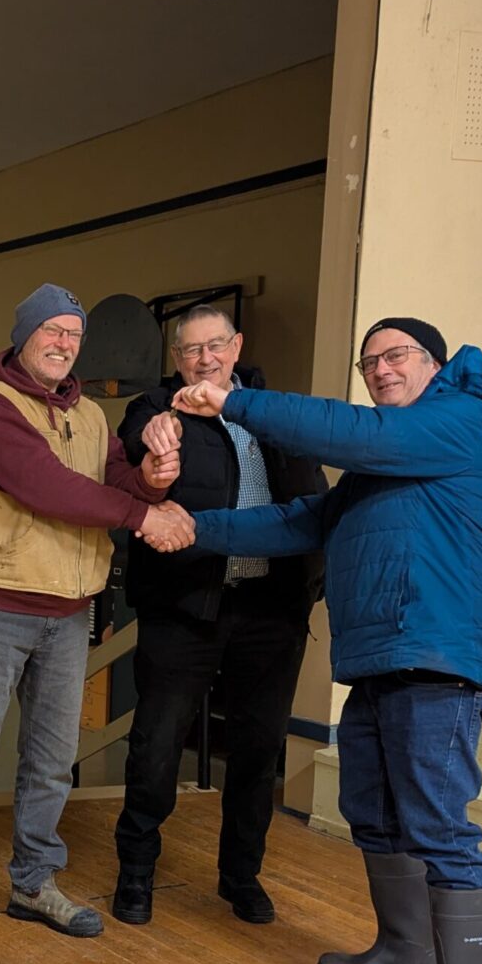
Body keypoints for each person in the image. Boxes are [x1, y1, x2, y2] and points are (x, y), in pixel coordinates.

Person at [169, 317, 482, 964]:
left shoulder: (460, 422)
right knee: (373, 812)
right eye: (369, 362)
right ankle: (407, 951)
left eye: (396, 356)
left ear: (435, 365)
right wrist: (192, 527)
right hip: (382, 658)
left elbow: (361, 436)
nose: (381, 370)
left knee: (439, 824)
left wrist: (234, 400)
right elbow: (300, 521)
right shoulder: (382, 463)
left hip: (438, 657)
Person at [0, 283, 186, 960]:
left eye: (73, 334)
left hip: (68, 615)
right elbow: (46, 486)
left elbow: (117, 485)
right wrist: (144, 517)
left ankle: (33, 883)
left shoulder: (92, 417)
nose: (64, 343)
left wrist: (154, 479)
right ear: (23, 335)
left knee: (49, 765)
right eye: (52, 330)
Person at [111, 304, 327, 926]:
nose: (203, 359)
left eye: (214, 347)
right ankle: (136, 874)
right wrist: (154, 437)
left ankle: (241, 877)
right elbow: (137, 437)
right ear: (175, 360)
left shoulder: (275, 413)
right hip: (186, 608)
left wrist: (314, 581)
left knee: (258, 752)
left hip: (271, 612)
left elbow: (313, 495)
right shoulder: (158, 408)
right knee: (155, 747)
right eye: (189, 350)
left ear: (236, 347)